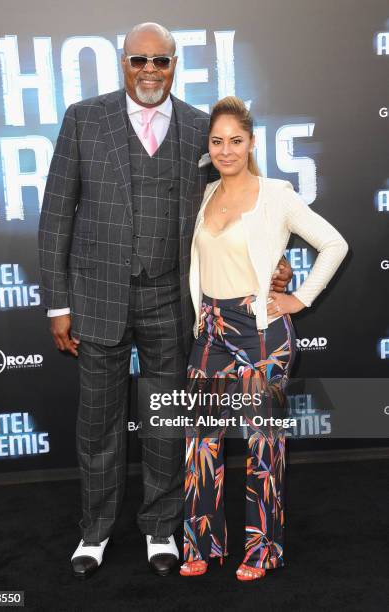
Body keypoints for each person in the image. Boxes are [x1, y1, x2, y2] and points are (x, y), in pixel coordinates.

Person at [38, 23, 292, 580]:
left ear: (175, 64)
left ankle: (160, 529)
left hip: (173, 302)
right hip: (98, 298)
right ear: (122, 64)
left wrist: (274, 257)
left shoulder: (201, 129)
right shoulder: (84, 119)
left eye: (161, 61)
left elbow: (237, 203)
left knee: (166, 419)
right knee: (99, 423)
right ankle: (95, 532)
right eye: (138, 61)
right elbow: (56, 214)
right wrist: (58, 304)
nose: (149, 70)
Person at [179, 96, 348, 580]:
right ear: (208, 147)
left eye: (235, 140)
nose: (226, 150)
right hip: (209, 330)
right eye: (217, 141)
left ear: (252, 143)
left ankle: (261, 550)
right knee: (199, 443)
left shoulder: (277, 194)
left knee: (263, 443)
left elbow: (334, 244)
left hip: (260, 333)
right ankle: (202, 545)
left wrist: (300, 298)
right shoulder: (204, 195)